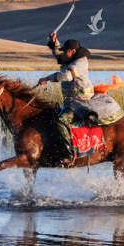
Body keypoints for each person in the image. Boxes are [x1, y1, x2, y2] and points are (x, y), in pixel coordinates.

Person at [37, 33, 95, 167]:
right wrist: (54, 42)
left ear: (73, 51)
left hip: (81, 101)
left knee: (60, 120)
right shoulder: (70, 58)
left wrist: (47, 78)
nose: (64, 54)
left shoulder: (80, 62)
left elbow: (68, 76)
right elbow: (59, 55)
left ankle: (69, 154)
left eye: (66, 51)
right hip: (71, 101)